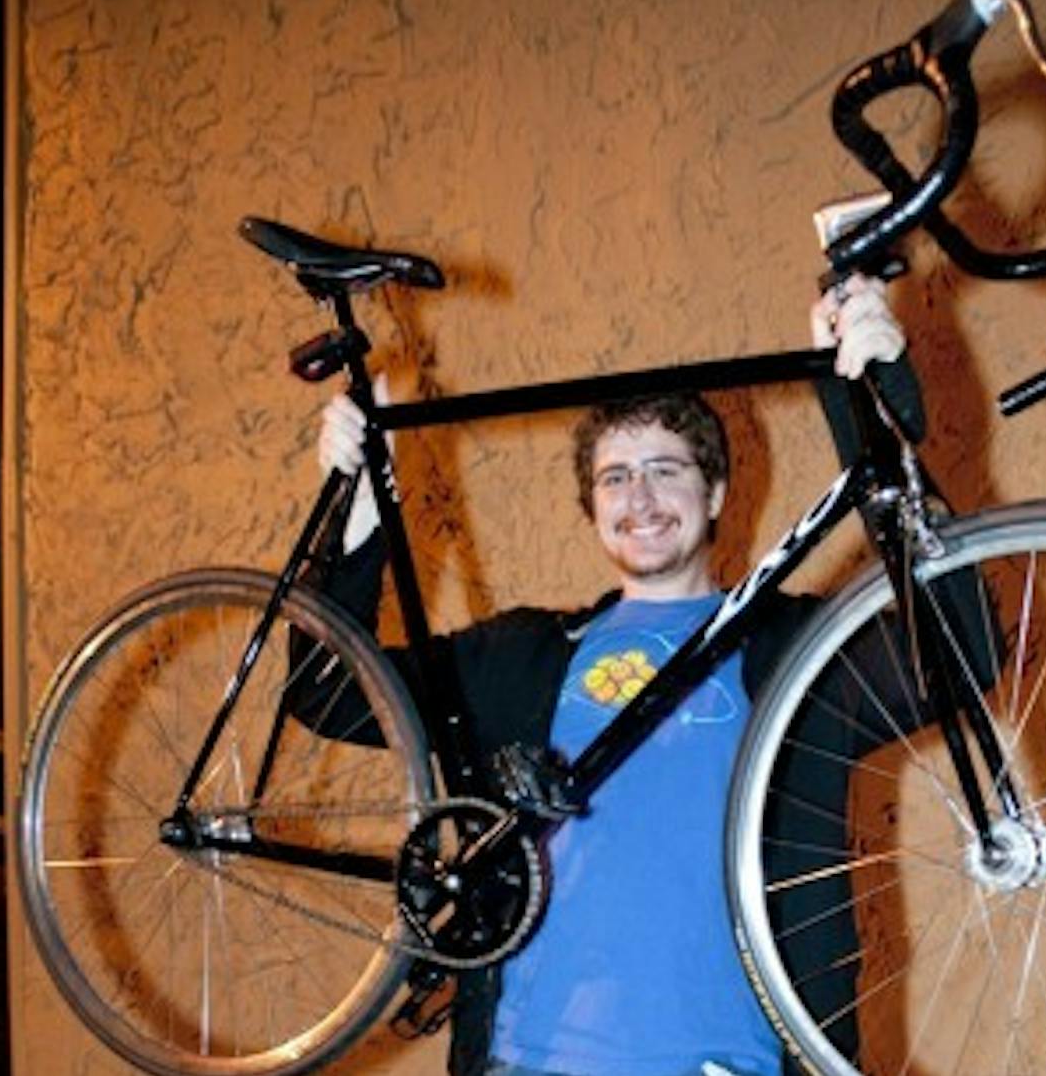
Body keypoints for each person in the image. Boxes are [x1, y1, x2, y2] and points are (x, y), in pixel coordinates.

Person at [311, 276, 908, 1076]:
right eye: (615, 477)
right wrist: (356, 512)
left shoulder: (791, 646)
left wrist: (873, 409)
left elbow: (962, 656)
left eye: (667, 468)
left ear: (718, 492)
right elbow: (325, 690)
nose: (641, 497)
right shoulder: (521, 658)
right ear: (590, 508)